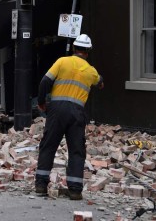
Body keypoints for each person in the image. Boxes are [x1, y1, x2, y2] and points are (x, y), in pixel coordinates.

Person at [34, 34, 104, 200]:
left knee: (48, 145)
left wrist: (42, 102)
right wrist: (99, 80)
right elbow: (100, 83)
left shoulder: (62, 62)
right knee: (76, 150)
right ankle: (74, 190)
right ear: (88, 51)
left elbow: (44, 82)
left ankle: (41, 185)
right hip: (77, 113)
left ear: (74, 48)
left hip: (56, 110)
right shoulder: (90, 70)